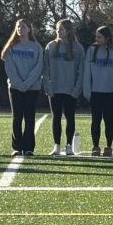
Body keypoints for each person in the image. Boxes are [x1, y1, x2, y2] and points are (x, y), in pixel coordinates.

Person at [2, 18, 43, 156]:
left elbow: (38, 67)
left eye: (23, 27)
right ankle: (17, 147)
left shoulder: (36, 47)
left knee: (30, 117)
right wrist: (19, 83)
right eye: (18, 27)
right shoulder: (11, 46)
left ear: (29, 29)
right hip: (15, 87)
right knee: (17, 117)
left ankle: (29, 148)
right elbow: (10, 67)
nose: (21, 29)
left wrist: (27, 83)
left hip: (32, 88)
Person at [42, 18, 83, 156]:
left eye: (61, 29)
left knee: (70, 118)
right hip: (54, 90)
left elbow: (81, 70)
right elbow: (45, 69)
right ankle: (57, 146)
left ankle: (69, 146)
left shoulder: (78, 48)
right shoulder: (51, 46)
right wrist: (48, 86)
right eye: (57, 29)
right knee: (56, 117)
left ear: (68, 30)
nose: (58, 32)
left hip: (71, 90)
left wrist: (77, 89)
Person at [83, 26, 113, 156]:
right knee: (95, 121)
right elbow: (87, 72)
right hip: (95, 92)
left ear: (107, 37)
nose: (96, 39)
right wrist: (87, 90)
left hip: (110, 93)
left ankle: (108, 146)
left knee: (109, 120)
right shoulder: (92, 49)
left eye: (99, 36)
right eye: (96, 36)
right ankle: (95, 146)